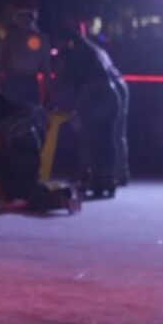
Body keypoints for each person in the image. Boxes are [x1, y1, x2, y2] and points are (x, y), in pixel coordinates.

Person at [0, 90, 80, 213]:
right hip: (33, 156)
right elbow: (43, 121)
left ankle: (61, 199)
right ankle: (62, 196)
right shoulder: (28, 110)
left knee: (23, 189)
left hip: (16, 156)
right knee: (25, 185)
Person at [56, 26, 120, 196]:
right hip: (111, 92)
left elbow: (69, 81)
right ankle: (108, 177)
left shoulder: (73, 55)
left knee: (92, 137)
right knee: (107, 137)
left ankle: (94, 178)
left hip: (92, 93)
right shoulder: (95, 51)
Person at [0, 2, 50, 107]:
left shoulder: (42, 39)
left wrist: (47, 90)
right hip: (12, 82)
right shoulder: (9, 39)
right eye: (21, 16)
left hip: (30, 83)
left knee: (30, 113)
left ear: (32, 18)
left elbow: (46, 67)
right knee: (12, 115)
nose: (24, 20)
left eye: (26, 16)